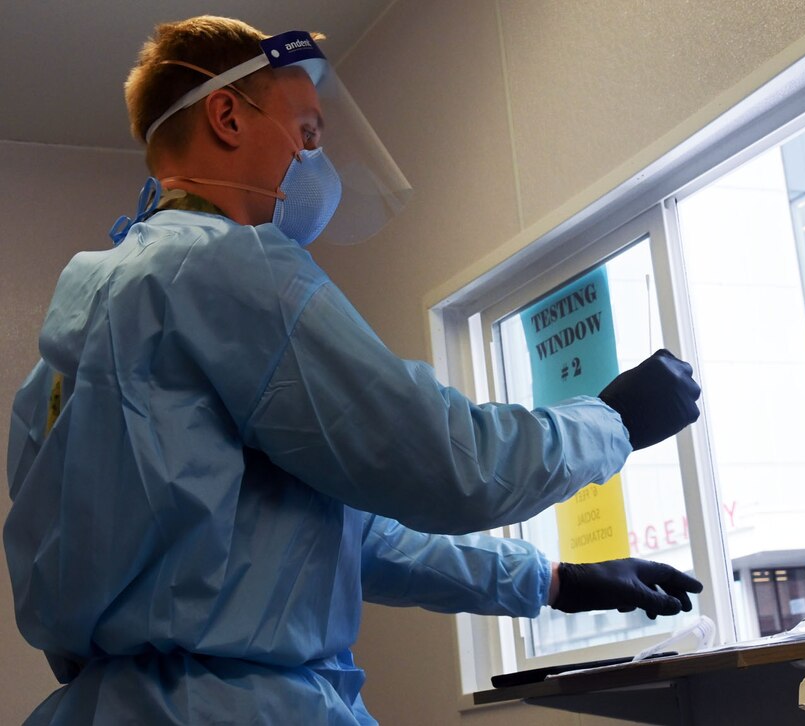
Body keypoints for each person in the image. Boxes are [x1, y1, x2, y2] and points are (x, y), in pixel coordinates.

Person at [4, 17, 703, 725]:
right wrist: (611, 422)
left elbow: (323, 536)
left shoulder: (78, 340)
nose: (319, 160)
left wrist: (554, 581)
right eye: (307, 133)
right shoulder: (228, 267)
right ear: (225, 115)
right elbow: (448, 460)